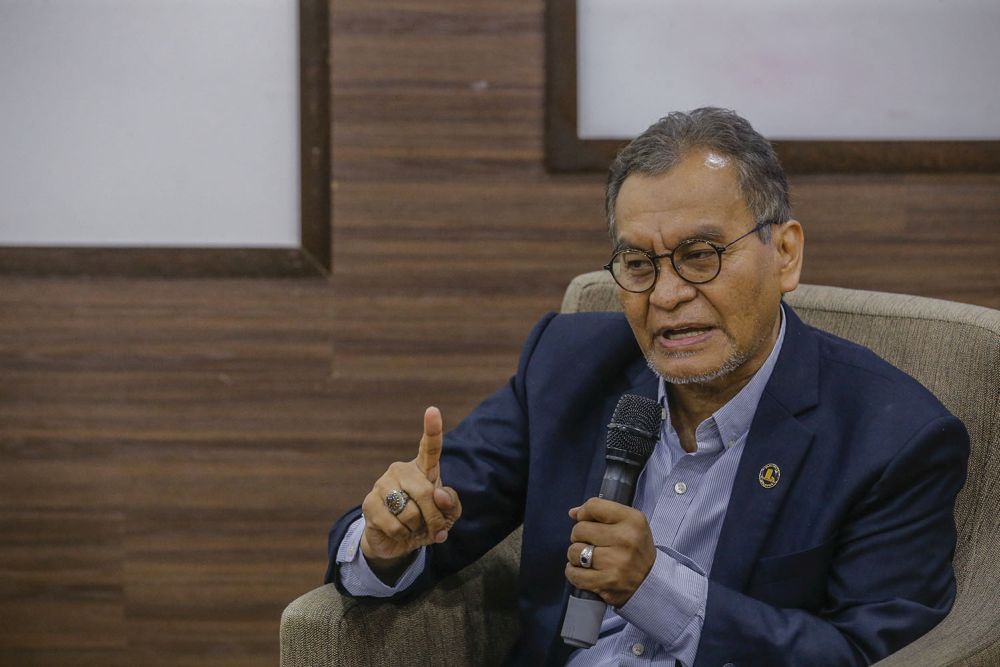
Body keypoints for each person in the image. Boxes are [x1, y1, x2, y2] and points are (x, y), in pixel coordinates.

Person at [325, 107, 969, 666]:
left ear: (786, 254)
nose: (666, 295)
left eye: (700, 255)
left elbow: (862, 654)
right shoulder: (568, 365)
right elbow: (428, 514)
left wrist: (655, 586)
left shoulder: (892, 436)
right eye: (638, 264)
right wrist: (383, 540)